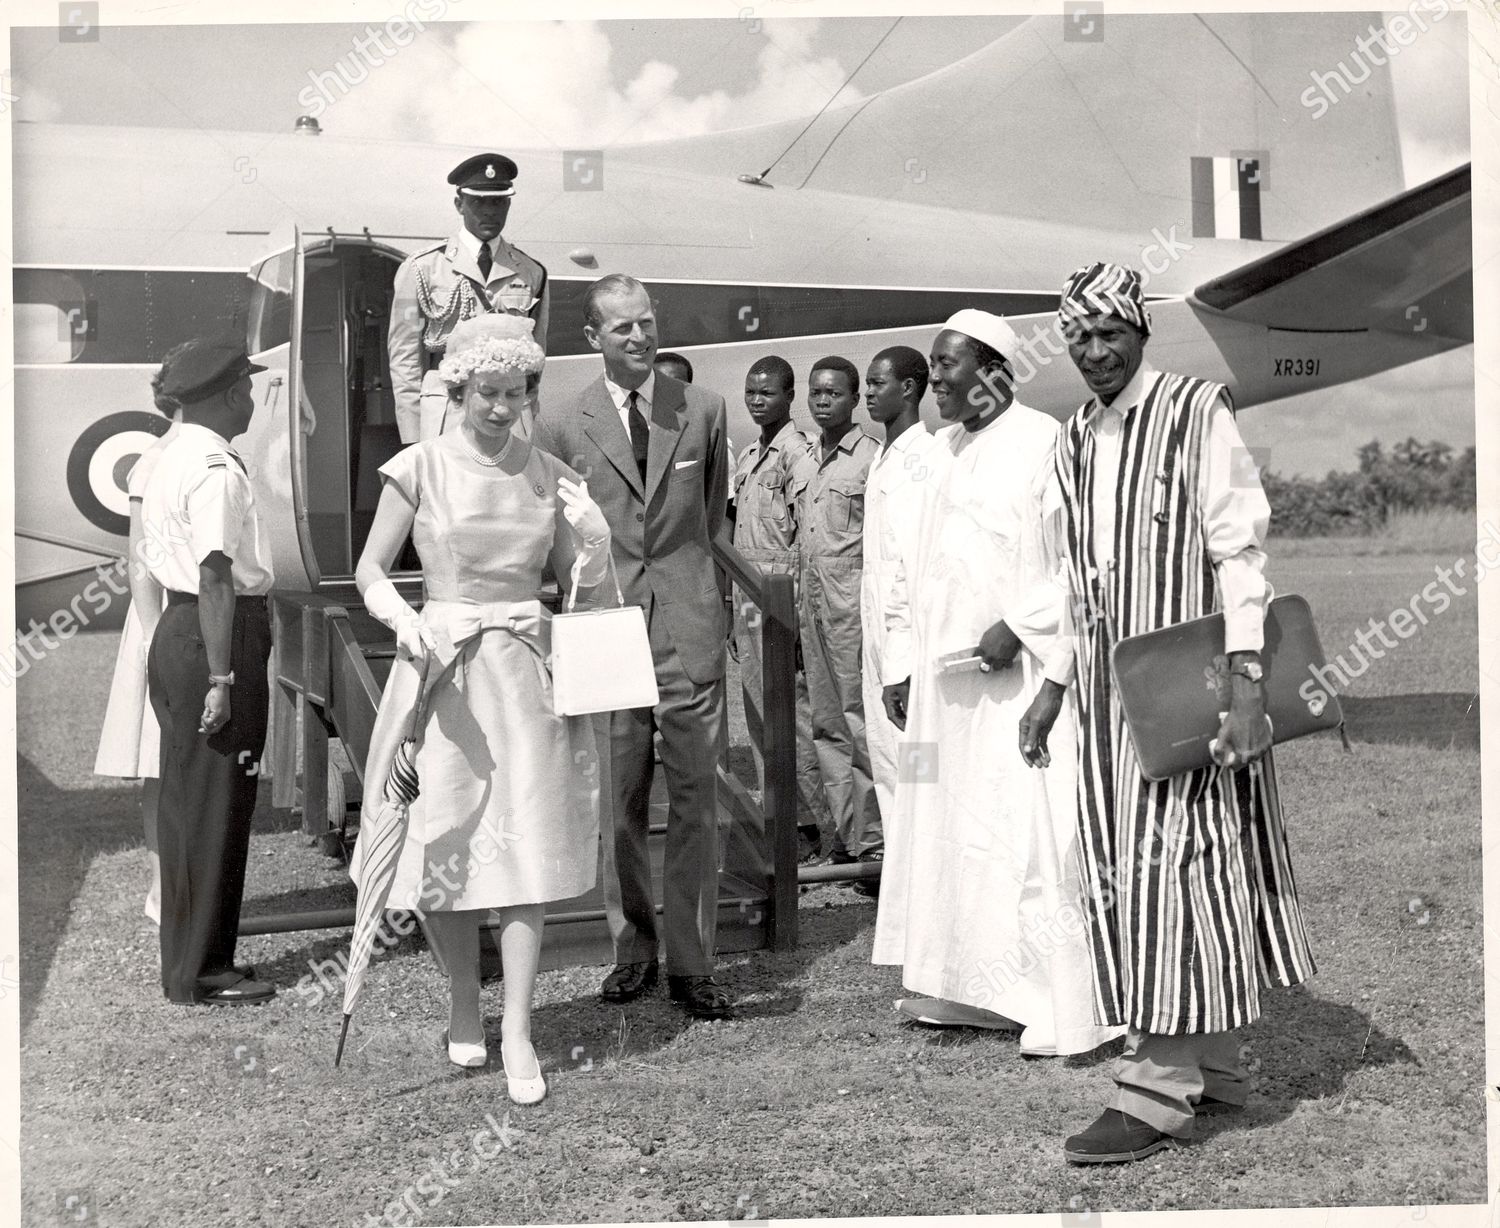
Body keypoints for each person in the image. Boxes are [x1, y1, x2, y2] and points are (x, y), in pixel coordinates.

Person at [1019, 262, 1315, 1161]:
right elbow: (1072, 582)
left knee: (1169, 868)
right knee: (1163, 867)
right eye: (1079, 338)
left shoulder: (1198, 412)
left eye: (1110, 335)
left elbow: (1240, 556)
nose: (1095, 352)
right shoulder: (1072, 438)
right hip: (1112, 703)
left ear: (1142, 334)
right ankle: (1215, 1065)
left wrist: (1247, 690)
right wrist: (1055, 685)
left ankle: (1154, 1089)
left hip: (1193, 690)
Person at [354, 314, 610, 1102]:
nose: (502, 409)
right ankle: (466, 1003)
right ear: (459, 390)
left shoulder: (551, 473)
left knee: (524, 844)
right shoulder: (420, 466)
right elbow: (368, 568)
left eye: (516, 394)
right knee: (447, 845)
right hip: (442, 668)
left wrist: (594, 548)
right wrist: (401, 621)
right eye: (488, 394)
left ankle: (519, 1029)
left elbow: (582, 592)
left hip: (525, 673)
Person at [873, 312, 1122, 1058]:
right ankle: (978, 988)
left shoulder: (1043, 442)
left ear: (994, 373)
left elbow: (1079, 559)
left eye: (949, 365)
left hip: (1022, 683)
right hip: (946, 693)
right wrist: (903, 659)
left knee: (1031, 839)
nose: (936, 377)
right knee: (957, 835)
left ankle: (1056, 1004)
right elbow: (906, 566)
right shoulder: (936, 452)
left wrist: (1019, 625)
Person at [531, 274, 734, 1021]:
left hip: (686, 629)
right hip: (607, 632)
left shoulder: (703, 412)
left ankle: (692, 959)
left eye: (646, 323)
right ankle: (633, 948)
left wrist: (704, 605)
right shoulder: (561, 423)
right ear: (593, 339)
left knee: (696, 802)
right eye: (622, 329)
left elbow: (708, 520)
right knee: (617, 804)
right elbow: (557, 535)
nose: (640, 337)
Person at [142, 338, 276, 1006]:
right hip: (216, 633)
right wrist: (223, 680)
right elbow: (217, 573)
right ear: (228, 394)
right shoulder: (216, 467)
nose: (253, 398)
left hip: (179, 629)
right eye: (247, 388)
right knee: (216, 803)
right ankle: (200, 970)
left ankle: (196, 959)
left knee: (191, 802)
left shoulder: (170, 456)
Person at [730, 355, 831, 863]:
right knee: (757, 714)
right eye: (750, 392)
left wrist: (796, 618)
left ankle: (810, 825)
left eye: (766, 393)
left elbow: (808, 538)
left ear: (789, 396)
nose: (756, 400)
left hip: (780, 596)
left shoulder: (798, 455)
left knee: (793, 716)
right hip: (747, 596)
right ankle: (779, 819)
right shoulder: (751, 454)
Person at [93, 380, 183, 925]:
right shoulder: (157, 461)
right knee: (162, 763)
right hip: (166, 618)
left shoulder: (204, 451)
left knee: (183, 764)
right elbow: (141, 560)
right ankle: (161, 890)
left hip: (198, 617)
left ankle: (180, 889)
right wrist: (156, 640)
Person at [388, 152, 550, 444]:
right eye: (478, 201)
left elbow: (536, 358)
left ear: (509, 204)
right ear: (459, 204)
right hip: (448, 413)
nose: (489, 211)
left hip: (509, 416)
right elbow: (405, 360)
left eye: (498, 201)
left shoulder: (531, 272)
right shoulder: (421, 269)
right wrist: (413, 438)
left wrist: (527, 415)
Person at [855, 345, 936, 896]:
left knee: (917, 767)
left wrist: (902, 663)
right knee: (887, 764)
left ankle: (926, 885)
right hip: (878, 640)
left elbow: (912, 566)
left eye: (877, 383)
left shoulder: (922, 458)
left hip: (905, 646)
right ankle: (906, 886)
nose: (867, 392)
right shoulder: (884, 456)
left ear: (908, 389)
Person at [795, 356, 881, 873]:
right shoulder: (804, 459)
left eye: (834, 393)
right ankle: (850, 838)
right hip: (814, 609)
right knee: (826, 725)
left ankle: (879, 839)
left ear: (854, 400)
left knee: (863, 723)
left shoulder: (872, 458)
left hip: (853, 608)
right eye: (816, 393)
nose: (822, 401)